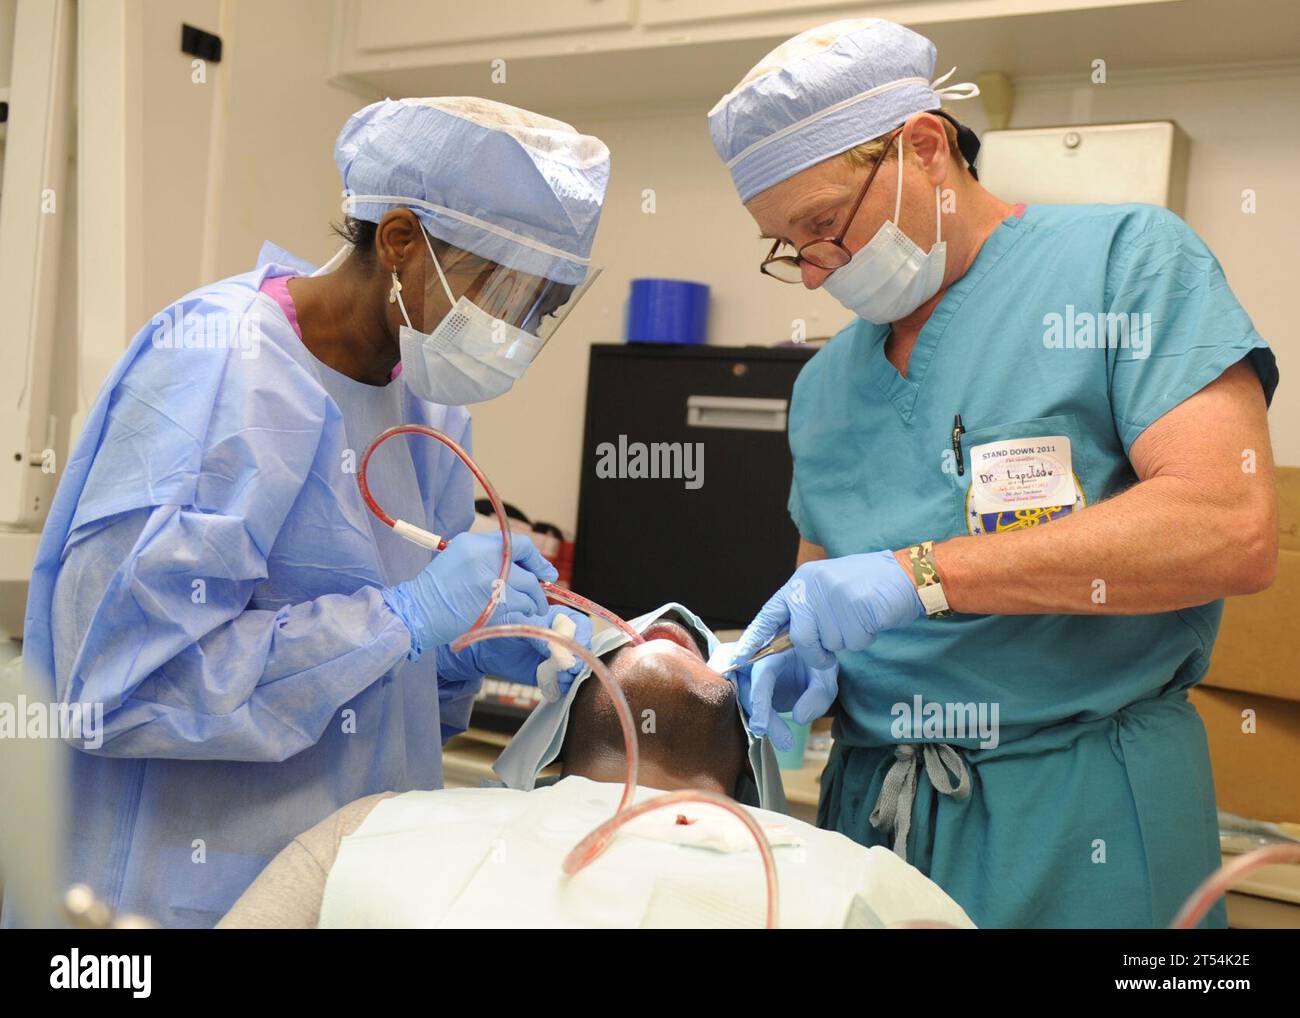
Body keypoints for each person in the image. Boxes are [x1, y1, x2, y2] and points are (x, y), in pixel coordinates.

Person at [706, 18, 1278, 927]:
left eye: (823, 227)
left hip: (1085, 810)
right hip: (874, 822)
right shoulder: (823, 387)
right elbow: (828, 599)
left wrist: (921, 576)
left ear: (925, 146)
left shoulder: (1126, 265)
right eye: (789, 247)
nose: (816, 275)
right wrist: (780, 674)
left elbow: (1226, 529)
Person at [14, 97, 610, 928]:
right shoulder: (222, 367)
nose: (513, 326)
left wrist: (460, 649)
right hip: (170, 895)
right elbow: (121, 684)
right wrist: (402, 617)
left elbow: (373, 696)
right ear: (400, 241)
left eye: (541, 304)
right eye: (502, 287)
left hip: (353, 886)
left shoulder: (429, 412)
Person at [218, 605, 974, 928]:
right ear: (543, 741)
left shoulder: (869, 885)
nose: (673, 625)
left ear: (755, 764)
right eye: (621, 634)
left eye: (700, 642)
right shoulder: (373, 829)